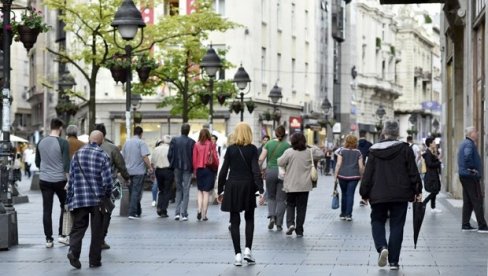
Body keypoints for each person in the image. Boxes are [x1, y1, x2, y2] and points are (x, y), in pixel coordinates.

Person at [360, 120, 422, 270]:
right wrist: (418, 190)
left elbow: (368, 174)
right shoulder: (405, 149)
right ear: (397, 133)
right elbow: (413, 171)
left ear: (384, 132)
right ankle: (394, 261)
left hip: (378, 193)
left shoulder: (373, 151)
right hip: (400, 193)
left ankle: (382, 247)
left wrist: (364, 192)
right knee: (397, 225)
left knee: (377, 221)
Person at [217, 122, 264, 266]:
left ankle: (237, 254)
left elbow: (223, 171)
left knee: (234, 220)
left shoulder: (230, 150)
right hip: (248, 186)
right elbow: (256, 171)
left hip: (233, 186)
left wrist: (220, 190)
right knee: (249, 218)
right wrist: (261, 190)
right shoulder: (253, 149)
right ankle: (248, 251)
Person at [66, 130, 113, 269]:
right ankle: (94, 260)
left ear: (88, 139)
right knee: (97, 231)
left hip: (80, 198)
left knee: (78, 227)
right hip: (97, 199)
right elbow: (107, 181)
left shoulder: (77, 155)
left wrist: (69, 199)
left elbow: (72, 179)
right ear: (101, 141)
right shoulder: (102, 155)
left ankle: (73, 252)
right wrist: (107, 195)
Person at [35, 118, 70, 248]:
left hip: (44, 180)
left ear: (51, 127)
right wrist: (69, 181)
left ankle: (48, 239)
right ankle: (63, 235)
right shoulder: (63, 143)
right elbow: (67, 164)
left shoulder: (40, 142)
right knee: (65, 207)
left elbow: (37, 162)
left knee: (47, 210)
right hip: (60, 180)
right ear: (60, 128)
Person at [94, 123, 130, 249]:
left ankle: (96, 237)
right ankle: (101, 238)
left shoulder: (86, 148)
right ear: (104, 134)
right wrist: (126, 177)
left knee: (95, 212)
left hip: (92, 185)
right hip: (108, 184)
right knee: (107, 211)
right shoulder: (112, 148)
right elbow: (121, 165)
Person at [277, 132, 315, 237]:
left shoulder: (289, 152)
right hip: (304, 185)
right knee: (301, 208)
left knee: (290, 205)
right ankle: (299, 230)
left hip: (291, 184)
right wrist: (309, 146)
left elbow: (280, 162)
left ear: (292, 141)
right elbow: (320, 153)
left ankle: (290, 224)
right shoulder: (309, 152)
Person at [457, 126, 488, 232]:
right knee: (477, 199)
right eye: (476, 131)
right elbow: (467, 157)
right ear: (471, 134)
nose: (478, 133)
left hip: (464, 175)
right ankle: (482, 226)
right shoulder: (469, 144)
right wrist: (473, 169)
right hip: (470, 176)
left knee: (468, 201)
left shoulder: (464, 143)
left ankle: (465, 224)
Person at [258, 126, 290, 231]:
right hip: (283, 173)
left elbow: (261, 159)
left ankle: (272, 216)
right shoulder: (287, 145)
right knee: (281, 199)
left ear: (275, 133)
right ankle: (279, 223)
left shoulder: (268, 143)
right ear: (284, 135)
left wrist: (259, 171)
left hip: (270, 172)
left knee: (271, 196)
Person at [122, 126, 153, 220]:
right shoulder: (141, 142)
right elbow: (145, 156)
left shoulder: (126, 143)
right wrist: (150, 167)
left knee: (132, 191)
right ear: (141, 133)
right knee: (136, 192)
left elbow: (123, 157)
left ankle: (138, 211)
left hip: (128, 171)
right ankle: (132, 212)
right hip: (139, 171)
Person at [168, 123, 195, 221]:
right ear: (188, 131)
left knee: (179, 189)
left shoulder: (174, 140)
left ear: (181, 130)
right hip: (187, 167)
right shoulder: (192, 142)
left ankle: (177, 213)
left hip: (177, 167)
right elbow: (194, 156)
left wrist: (172, 164)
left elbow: (170, 154)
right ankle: (184, 213)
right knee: (186, 190)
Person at [335, 135, 364, 221]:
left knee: (344, 194)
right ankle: (349, 214)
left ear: (346, 142)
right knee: (350, 194)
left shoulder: (342, 151)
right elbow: (361, 166)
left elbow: (338, 164)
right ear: (356, 142)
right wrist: (362, 176)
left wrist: (335, 175)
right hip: (354, 176)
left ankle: (343, 214)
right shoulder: (358, 152)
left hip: (342, 175)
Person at [193, 128, 219, 221]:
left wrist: (195, 171)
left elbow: (194, 160)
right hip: (209, 169)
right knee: (206, 192)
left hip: (199, 170)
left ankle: (199, 210)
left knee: (200, 191)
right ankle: (204, 215)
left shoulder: (196, 144)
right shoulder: (211, 144)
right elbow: (215, 157)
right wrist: (216, 167)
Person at [151, 135, 174, 218]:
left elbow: (152, 162)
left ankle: (159, 207)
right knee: (167, 190)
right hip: (168, 170)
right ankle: (163, 209)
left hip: (158, 171)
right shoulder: (171, 149)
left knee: (161, 190)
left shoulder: (156, 149)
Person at [422, 136, 442, 213]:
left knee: (435, 190)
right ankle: (424, 203)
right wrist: (439, 162)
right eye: (433, 142)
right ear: (430, 144)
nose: (435, 143)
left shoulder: (431, 152)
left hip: (433, 174)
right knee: (435, 191)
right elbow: (430, 164)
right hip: (431, 175)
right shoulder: (427, 153)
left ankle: (433, 208)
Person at [357, 130, 372, 207]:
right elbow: (371, 157)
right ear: (365, 135)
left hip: (354, 167)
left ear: (359, 135)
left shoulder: (356, 144)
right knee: (364, 182)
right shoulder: (369, 144)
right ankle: (364, 199)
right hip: (364, 166)